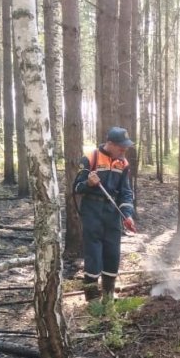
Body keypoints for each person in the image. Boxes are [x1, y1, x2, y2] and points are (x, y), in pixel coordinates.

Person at [73, 127, 137, 310]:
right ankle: (92, 301)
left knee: (112, 254)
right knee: (93, 256)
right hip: (92, 210)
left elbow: (125, 193)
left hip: (112, 213)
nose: (124, 151)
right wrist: (88, 183)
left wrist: (128, 215)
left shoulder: (123, 164)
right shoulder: (90, 158)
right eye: (121, 147)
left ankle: (108, 298)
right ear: (110, 144)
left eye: (125, 148)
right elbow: (76, 188)